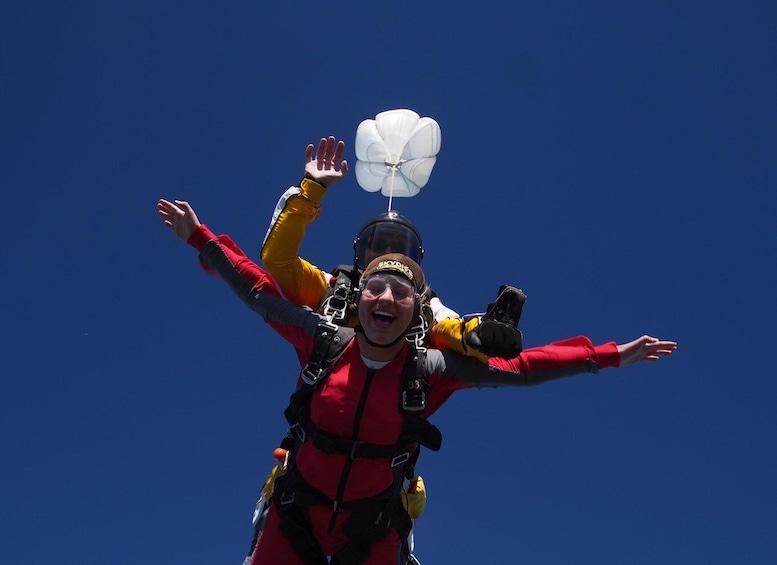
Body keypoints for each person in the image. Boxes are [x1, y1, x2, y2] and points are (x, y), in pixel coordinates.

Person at [157, 198, 677, 565]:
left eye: (400, 294)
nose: (385, 298)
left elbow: (519, 370)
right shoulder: (321, 339)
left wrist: (608, 356)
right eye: (375, 288)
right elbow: (256, 288)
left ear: (417, 312)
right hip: (297, 514)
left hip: (374, 527)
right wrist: (200, 238)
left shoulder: (430, 370)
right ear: (357, 300)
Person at [260, 135, 524, 361]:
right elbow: (279, 260)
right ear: (359, 252)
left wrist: (482, 333)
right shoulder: (333, 289)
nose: (388, 254)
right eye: (377, 245)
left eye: (398, 247)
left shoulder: (424, 305)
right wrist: (311, 190)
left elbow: (449, 329)